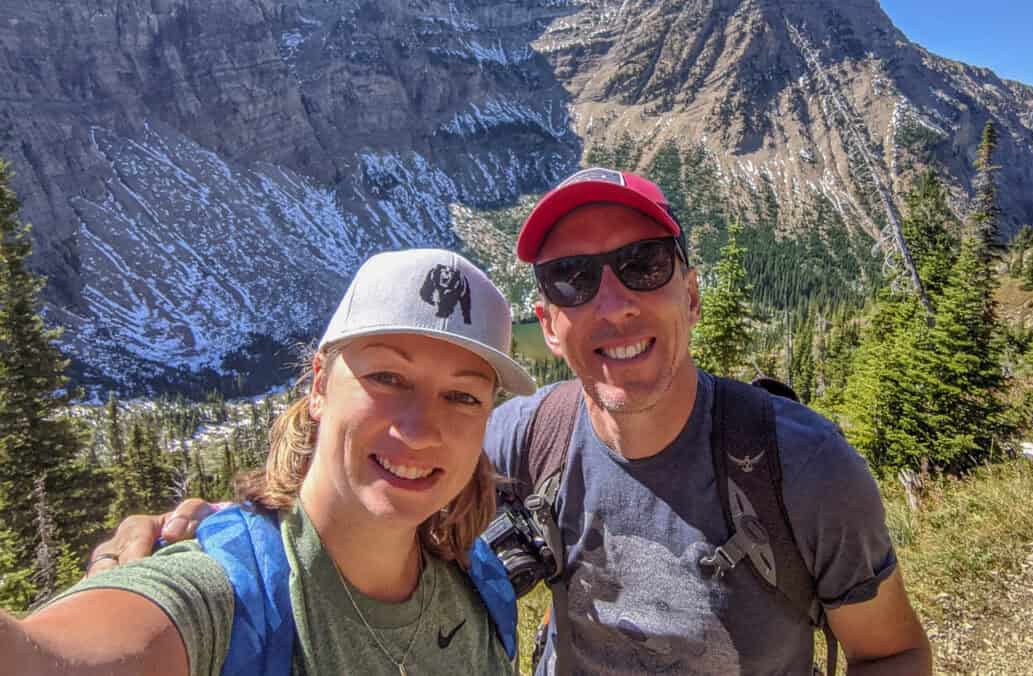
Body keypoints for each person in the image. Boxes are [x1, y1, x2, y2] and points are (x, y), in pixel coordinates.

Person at [95, 169, 932, 675]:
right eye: (572, 279)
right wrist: (208, 533)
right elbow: (370, 484)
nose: (613, 302)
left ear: (691, 293)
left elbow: (890, 652)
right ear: (550, 321)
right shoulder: (519, 435)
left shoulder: (799, 465)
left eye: (643, 265)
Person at [2, 248, 534, 675]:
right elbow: (44, 655)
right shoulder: (224, 593)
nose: (418, 432)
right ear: (321, 383)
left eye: (463, 397)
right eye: (387, 379)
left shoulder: (477, 586)